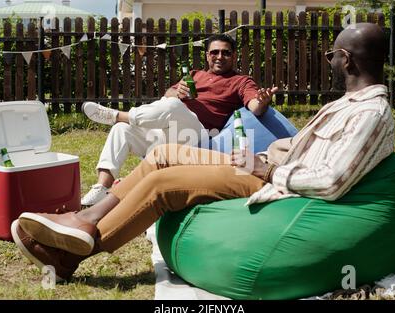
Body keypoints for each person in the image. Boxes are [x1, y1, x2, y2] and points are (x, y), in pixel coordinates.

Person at [12, 23, 395, 282]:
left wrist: (267, 168)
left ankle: (70, 257)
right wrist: (272, 153)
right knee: (163, 156)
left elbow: (331, 181)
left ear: (346, 59)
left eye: (331, 56)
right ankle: (85, 218)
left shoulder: (369, 113)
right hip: (264, 163)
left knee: (164, 183)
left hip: (274, 180)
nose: (329, 61)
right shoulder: (349, 102)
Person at [80, 33, 278, 206]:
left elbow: (255, 106)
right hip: (169, 134)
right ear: (207, 55)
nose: (220, 56)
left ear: (233, 56)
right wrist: (177, 91)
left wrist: (262, 102)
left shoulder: (241, 81)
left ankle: (116, 115)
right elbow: (167, 95)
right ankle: (101, 188)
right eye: (214, 52)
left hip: (197, 136)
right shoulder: (194, 74)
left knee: (172, 106)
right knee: (122, 129)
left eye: (225, 52)